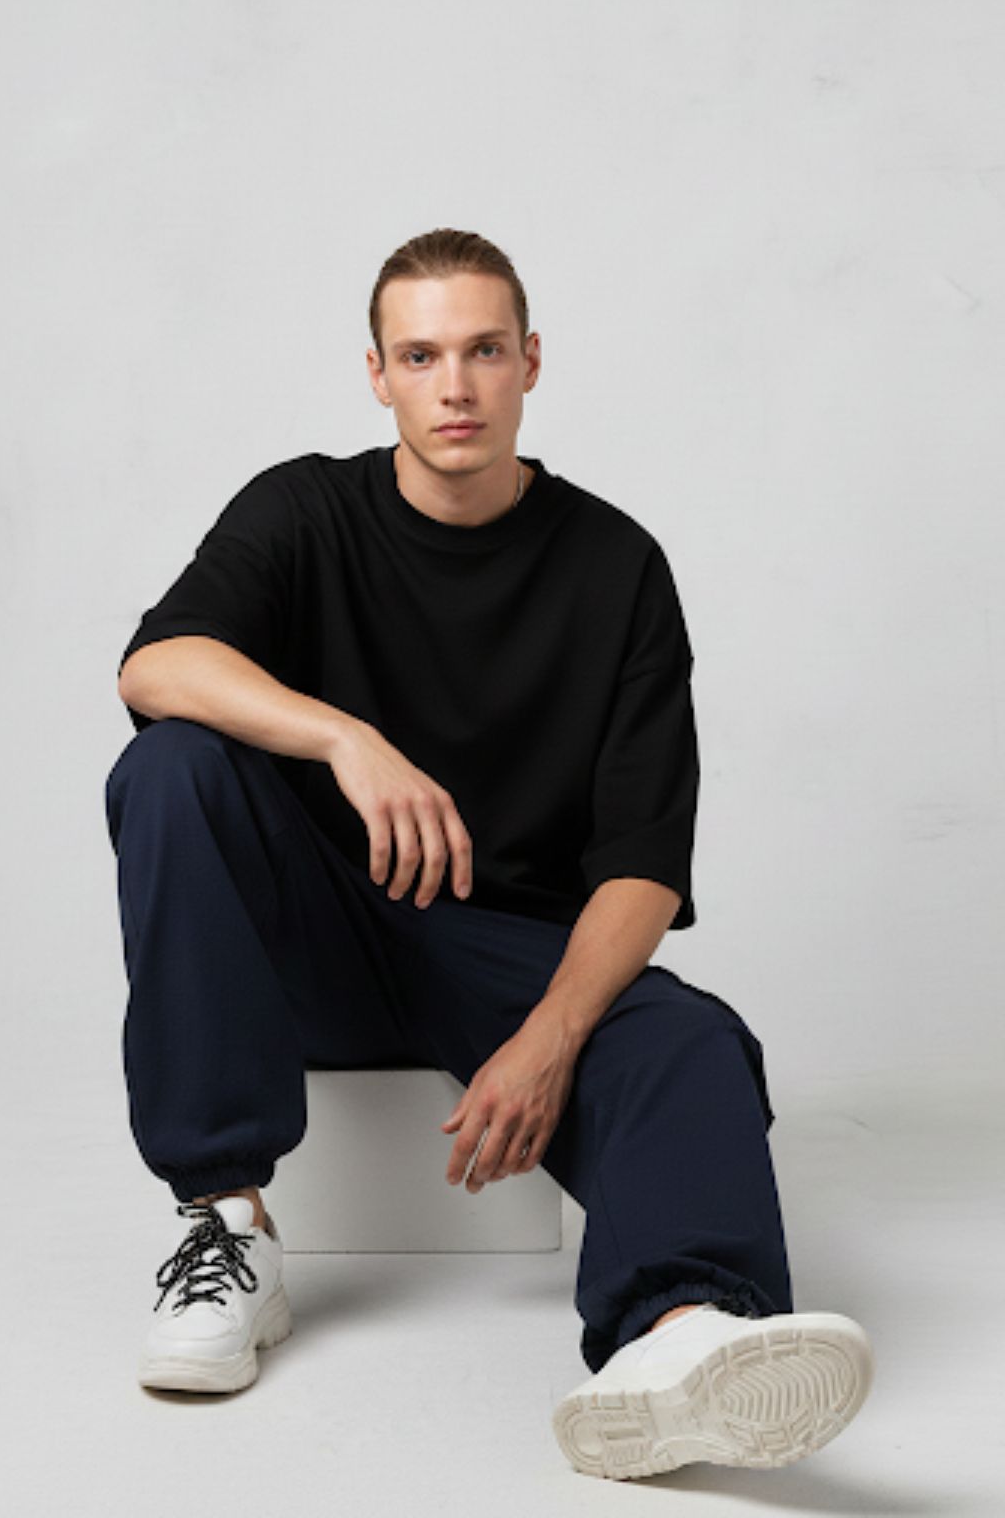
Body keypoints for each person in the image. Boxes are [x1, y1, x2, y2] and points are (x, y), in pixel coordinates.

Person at [104, 226, 874, 1478]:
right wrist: (346, 739)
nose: (453, 386)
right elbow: (155, 666)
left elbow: (643, 863)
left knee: (688, 1039)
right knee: (173, 764)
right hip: (314, 929)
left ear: (530, 362)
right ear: (377, 375)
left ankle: (678, 1341)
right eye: (420, 356)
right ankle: (225, 1220)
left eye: (482, 351)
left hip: (503, 951)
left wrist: (548, 1039)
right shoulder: (302, 509)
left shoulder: (614, 563)